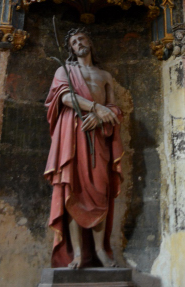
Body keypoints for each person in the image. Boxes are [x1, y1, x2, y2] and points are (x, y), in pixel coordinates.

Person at [44, 28, 123, 269]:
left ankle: (100, 250)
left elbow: (114, 109)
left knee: (100, 190)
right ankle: (78, 254)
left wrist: (100, 117)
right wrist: (96, 108)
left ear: (90, 42)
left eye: (81, 39)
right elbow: (65, 98)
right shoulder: (64, 71)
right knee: (73, 190)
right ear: (71, 48)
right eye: (74, 42)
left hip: (97, 135)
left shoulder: (104, 75)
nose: (78, 43)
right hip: (72, 134)